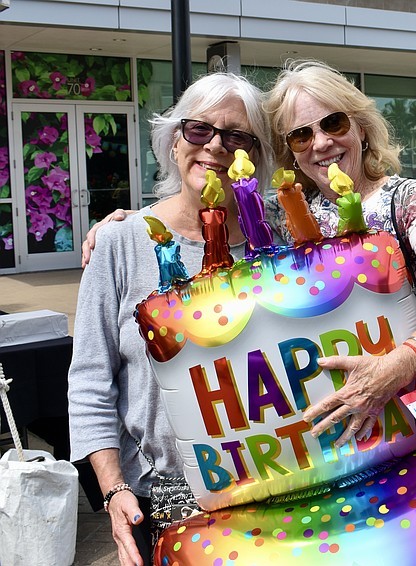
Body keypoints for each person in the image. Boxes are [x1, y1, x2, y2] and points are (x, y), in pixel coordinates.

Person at [68, 73, 275, 566]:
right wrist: (114, 491)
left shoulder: (279, 241)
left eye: (237, 136)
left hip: (274, 495)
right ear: (174, 141)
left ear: (256, 153)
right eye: (199, 130)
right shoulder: (120, 244)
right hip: (159, 503)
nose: (216, 147)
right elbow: (91, 381)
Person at [264, 59, 416, 442]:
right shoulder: (279, 214)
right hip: (332, 433)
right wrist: (132, 220)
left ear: (362, 127)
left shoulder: (405, 198)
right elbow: (190, 218)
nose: (320, 143)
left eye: (333, 123)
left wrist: (396, 367)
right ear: (291, 152)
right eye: (301, 135)